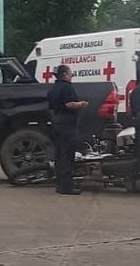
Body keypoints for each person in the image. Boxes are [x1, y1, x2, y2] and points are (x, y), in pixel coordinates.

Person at [46, 64, 88, 195]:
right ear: (64, 74)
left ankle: (59, 185)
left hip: (57, 122)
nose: (72, 75)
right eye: (70, 73)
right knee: (68, 155)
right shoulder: (67, 87)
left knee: (59, 155)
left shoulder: (52, 90)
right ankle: (67, 187)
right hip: (67, 124)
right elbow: (69, 104)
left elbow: (52, 107)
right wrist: (81, 104)